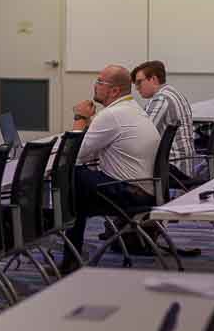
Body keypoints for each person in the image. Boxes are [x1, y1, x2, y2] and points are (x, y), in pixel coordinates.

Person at [62, 65, 165, 271]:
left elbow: (74, 155)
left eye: (100, 82)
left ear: (115, 91)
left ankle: (68, 255)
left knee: (68, 176)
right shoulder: (130, 109)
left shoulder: (111, 115)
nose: (95, 85)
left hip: (130, 193)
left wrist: (80, 119)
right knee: (77, 188)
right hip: (143, 189)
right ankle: (70, 256)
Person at [131, 60, 198, 178]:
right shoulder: (172, 92)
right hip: (184, 164)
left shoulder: (161, 99)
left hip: (173, 167)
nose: (137, 88)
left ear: (154, 79)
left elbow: (140, 135)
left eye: (139, 82)